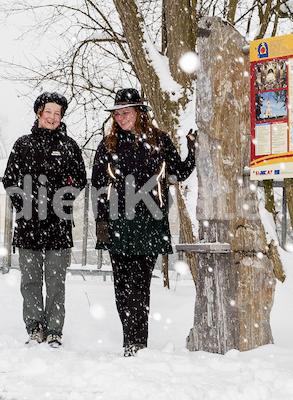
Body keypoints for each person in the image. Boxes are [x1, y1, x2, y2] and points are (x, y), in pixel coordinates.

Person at [91, 88, 196, 357]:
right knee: (121, 287)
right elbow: (99, 186)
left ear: (139, 112)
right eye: (117, 113)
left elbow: (180, 172)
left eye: (126, 112)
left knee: (139, 285)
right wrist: (100, 220)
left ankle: (137, 343)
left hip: (149, 222)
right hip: (117, 222)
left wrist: (193, 151)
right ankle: (130, 339)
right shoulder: (107, 145)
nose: (121, 117)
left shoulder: (159, 141)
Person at [3, 92, 86, 347]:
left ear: (61, 117)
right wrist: (24, 204)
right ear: (39, 113)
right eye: (48, 111)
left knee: (55, 281)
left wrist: (62, 200)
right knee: (30, 280)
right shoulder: (23, 144)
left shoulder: (69, 146)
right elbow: (9, 180)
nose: (52, 117)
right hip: (28, 225)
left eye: (57, 113)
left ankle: (54, 330)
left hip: (58, 225)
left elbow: (80, 178)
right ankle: (34, 326)